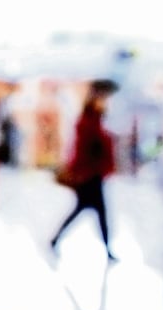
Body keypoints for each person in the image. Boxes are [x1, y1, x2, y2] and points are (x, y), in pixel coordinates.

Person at [50, 84, 118, 262]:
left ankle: (57, 239)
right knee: (96, 213)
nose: (105, 104)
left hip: (93, 175)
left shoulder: (94, 122)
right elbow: (85, 151)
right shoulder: (87, 124)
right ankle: (106, 248)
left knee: (88, 212)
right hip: (89, 177)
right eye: (102, 100)